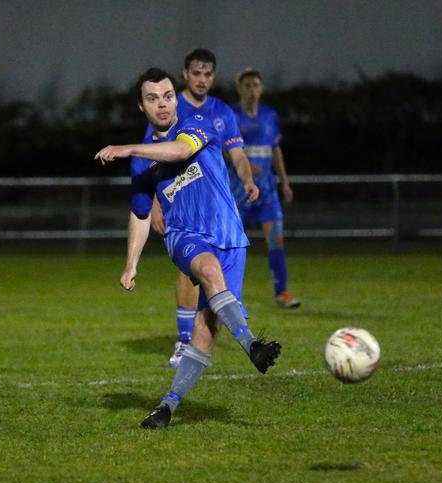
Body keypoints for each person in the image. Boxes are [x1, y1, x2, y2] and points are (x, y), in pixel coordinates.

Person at [95, 67, 282, 428]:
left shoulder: (198, 123)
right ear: (141, 105)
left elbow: (181, 152)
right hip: (184, 236)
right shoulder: (141, 160)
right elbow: (139, 214)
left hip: (230, 237)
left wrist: (129, 146)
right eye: (152, 98)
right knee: (208, 270)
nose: (162, 104)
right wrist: (131, 263)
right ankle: (252, 345)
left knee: (206, 331)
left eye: (167, 96)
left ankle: (167, 407)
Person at [144, 48, 255, 369]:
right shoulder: (167, 105)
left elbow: (237, 154)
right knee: (188, 270)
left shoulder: (222, 112)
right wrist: (154, 206)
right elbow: (151, 160)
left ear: (214, 77)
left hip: (216, 207)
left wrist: (247, 179)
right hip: (181, 203)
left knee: (213, 275)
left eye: (207, 75)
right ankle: (183, 341)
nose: (202, 80)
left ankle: (207, 336)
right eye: (196, 74)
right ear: (185, 75)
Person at [230, 68, 300, 308]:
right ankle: (227, 294)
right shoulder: (230, 116)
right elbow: (222, 150)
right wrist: (245, 165)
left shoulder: (270, 115)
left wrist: (285, 182)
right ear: (239, 89)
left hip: (267, 191)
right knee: (233, 244)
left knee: (276, 240)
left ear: (261, 89)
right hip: (239, 192)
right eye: (247, 85)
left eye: (256, 85)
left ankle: (282, 293)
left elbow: (275, 149)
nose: (252, 90)